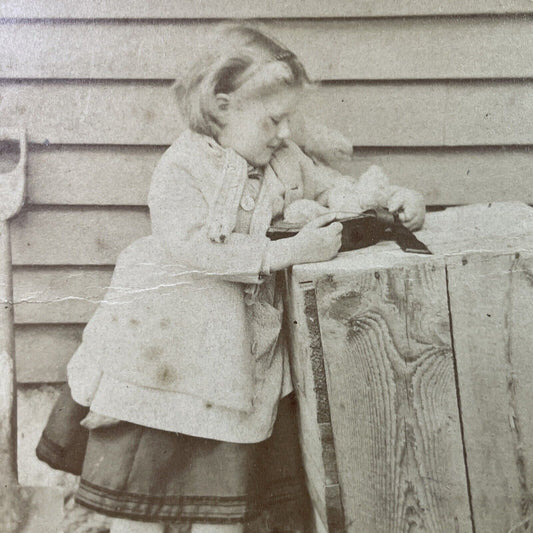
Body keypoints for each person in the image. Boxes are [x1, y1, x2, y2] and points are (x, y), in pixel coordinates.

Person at [36, 25, 425, 533]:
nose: (286, 133)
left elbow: (338, 190)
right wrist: (289, 251)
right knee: (145, 489)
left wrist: (394, 201)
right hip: (168, 345)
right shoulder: (184, 167)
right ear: (222, 106)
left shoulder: (284, 160)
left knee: (223, 486)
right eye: (274, 119)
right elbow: (190, 245)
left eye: (291, 120)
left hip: (233, 357)